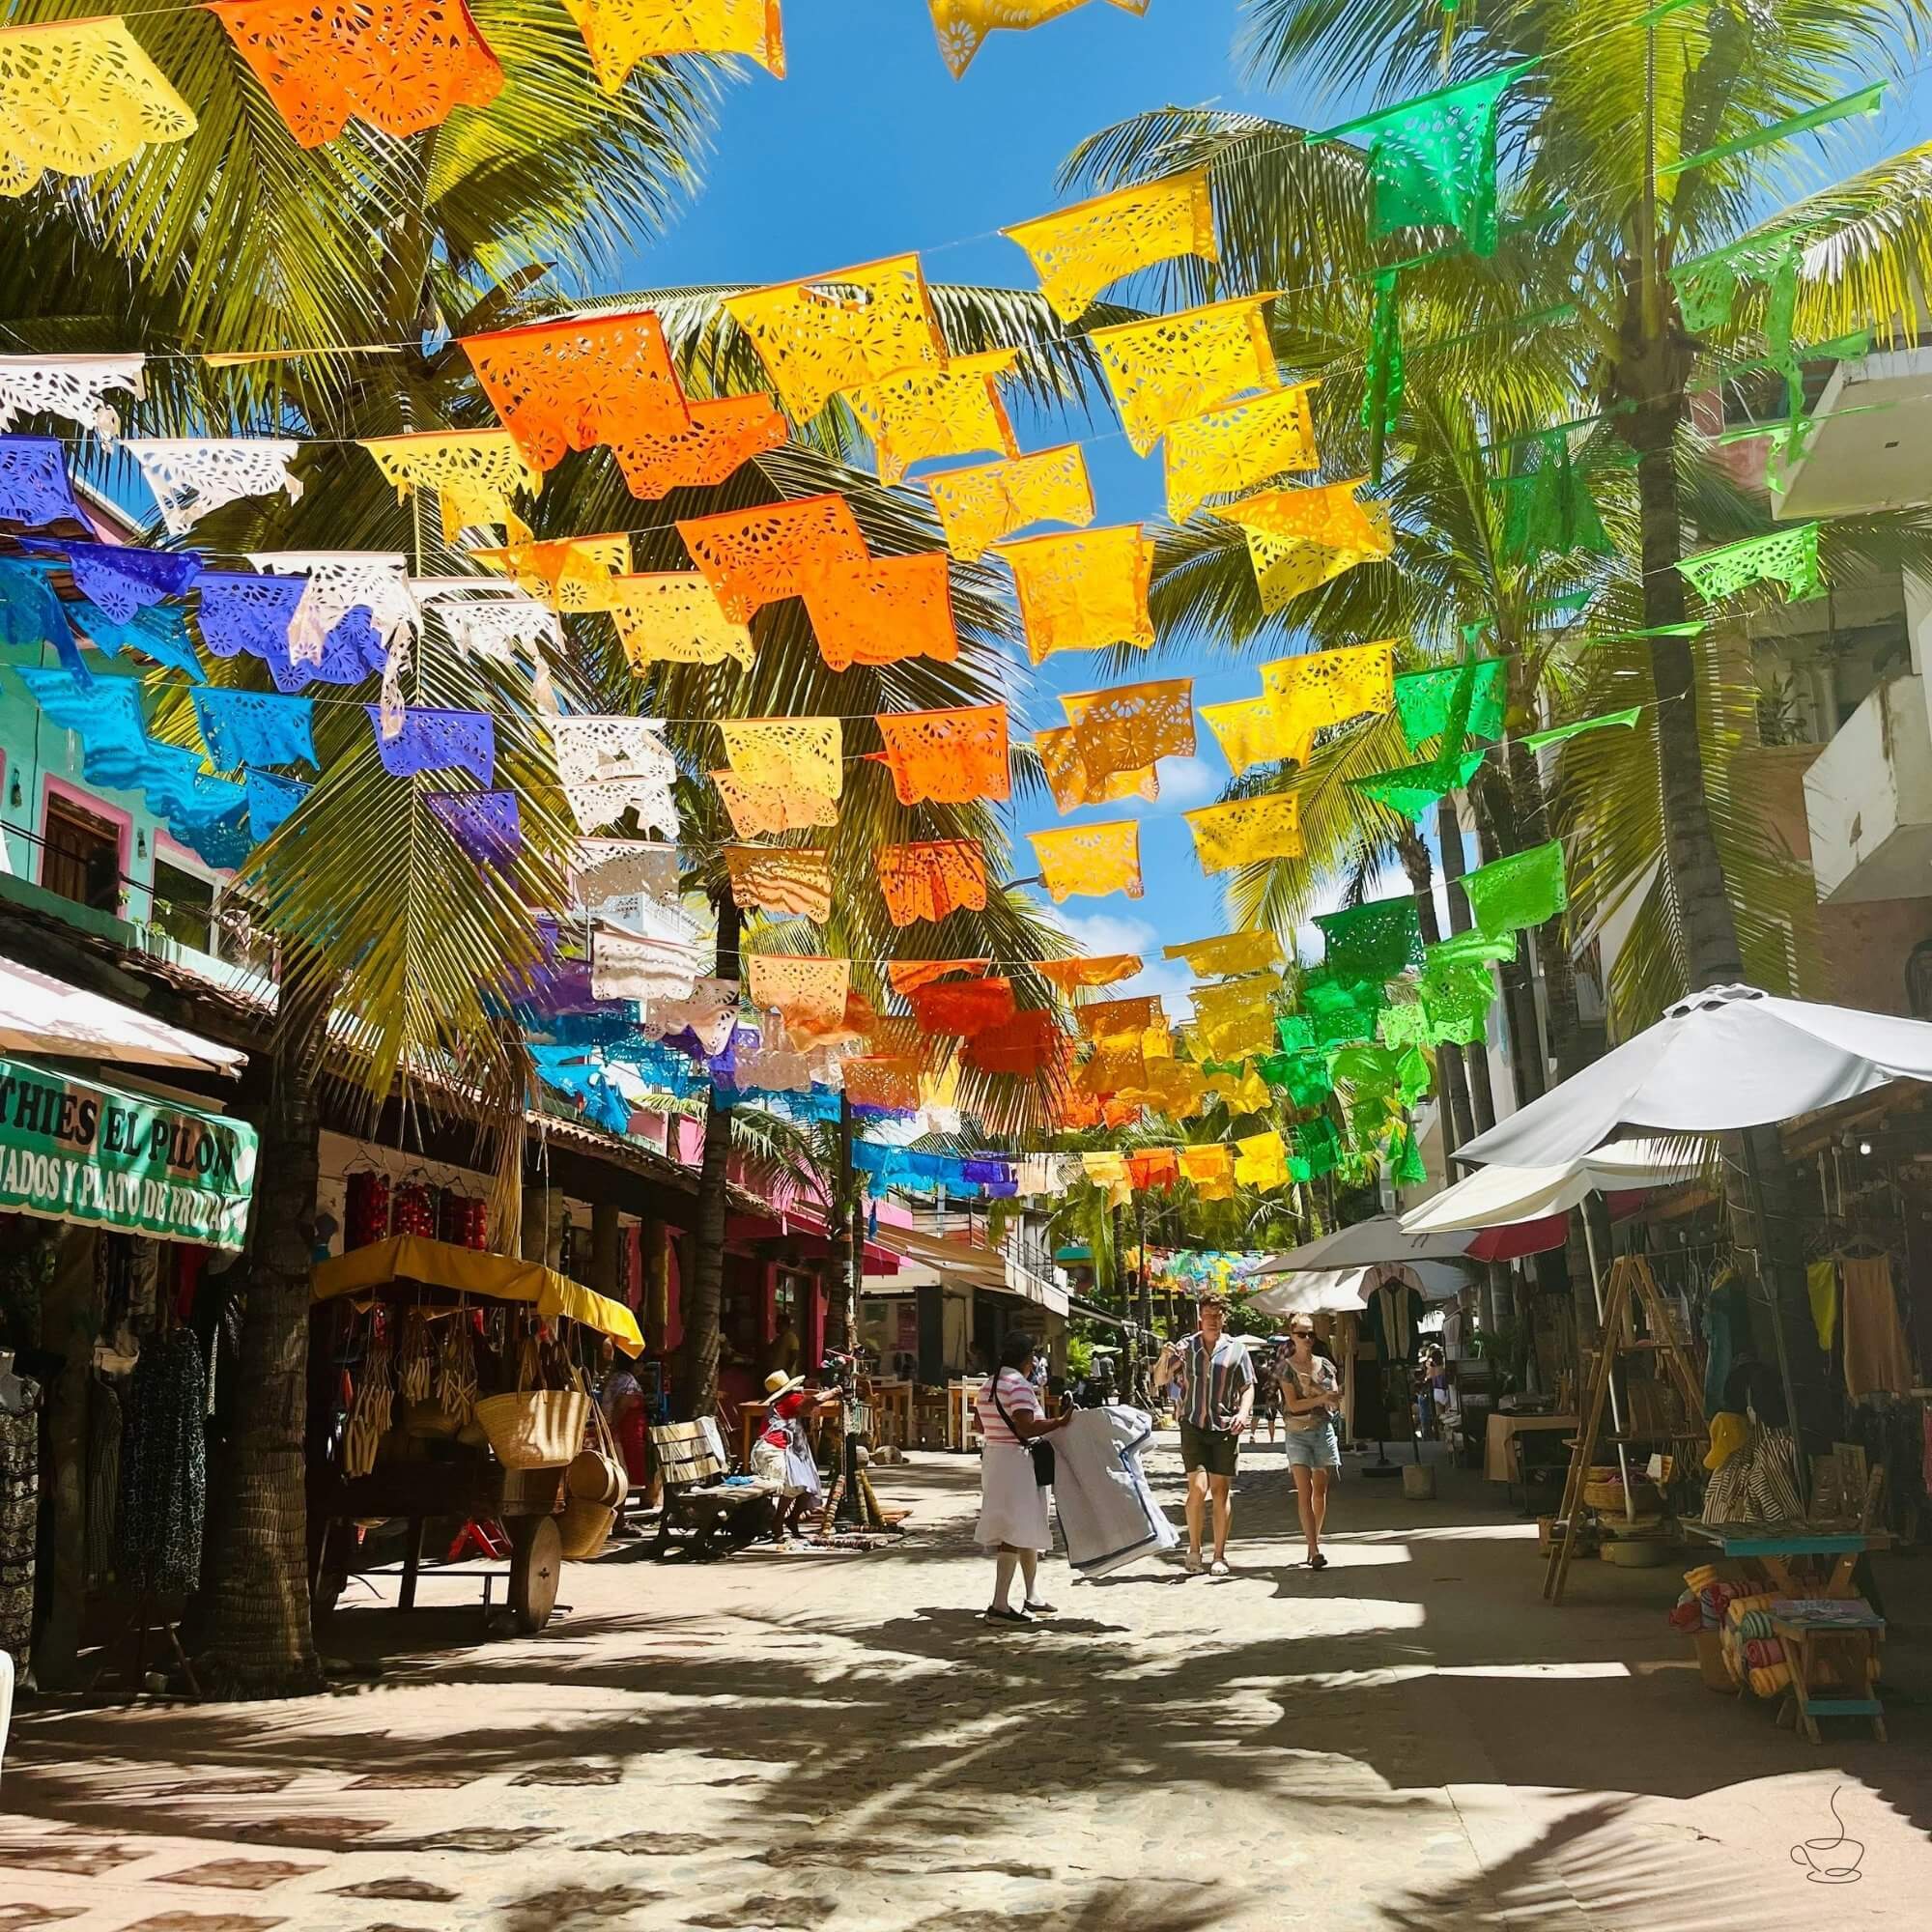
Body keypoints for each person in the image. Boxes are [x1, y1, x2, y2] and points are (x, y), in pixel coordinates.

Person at [975, 1329, 1073, 1624]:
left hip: (995, 1459)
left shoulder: (989, 1384)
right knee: (1014, 1530)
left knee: (1025, 1526)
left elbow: (980, 1424)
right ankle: (999, 1605)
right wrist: (1059, 1421)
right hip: (1017, 1463)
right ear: (1028, 1359)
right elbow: (1026, 1427)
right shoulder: (1018, 1385)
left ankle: (1033, 1595)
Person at [1153, 1293, 1254, 1577]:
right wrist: (1164, 1357)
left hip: (1224, 1426)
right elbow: (1160, 1379)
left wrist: (1243, 1413)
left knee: (1220, 1491)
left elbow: (1248, 1386)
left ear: (1224, 1318)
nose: (1212, 1320)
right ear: (1200, 1317)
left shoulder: (1237, 1350)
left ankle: (1219, 1555)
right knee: (1197, 1489)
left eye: (1217, 1315)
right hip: (1193, 1425)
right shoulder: (1186, 1347)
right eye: (1208, 1315)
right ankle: (1194, 1550)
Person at [1277, 1319, 1343, 1570]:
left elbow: (1334, 1401)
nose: (1307, 1339)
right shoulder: (1286, 1368)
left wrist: (1316, 1389)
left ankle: (1313, 1540)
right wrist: (1321, 1398)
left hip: (1322, 1431)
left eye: (1311, 1334)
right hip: (1297, 1433)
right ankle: (1314, 1548)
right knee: (1304, 1491)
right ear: (1292, 1336)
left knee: (1320, 1491)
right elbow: (1293, 1405)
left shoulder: (1325, 1365)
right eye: (1302, 1334)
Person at [753, 1369, 824, 1543]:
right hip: (772, 1451)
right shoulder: (790, 1400)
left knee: (809, 1484)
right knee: (795, 1484)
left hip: (783, 1450)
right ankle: (778, 1522)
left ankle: (792, 1519)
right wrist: (834, 1391)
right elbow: (813, 1401)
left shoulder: (785, 1400)